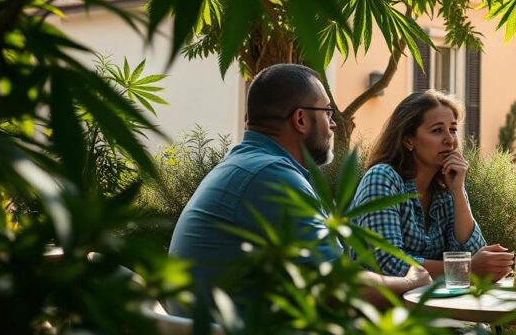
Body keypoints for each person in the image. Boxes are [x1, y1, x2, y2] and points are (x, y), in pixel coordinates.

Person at [168, 63, 430, 313]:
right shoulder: (271, 176)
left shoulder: (248, 165)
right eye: (327, 112)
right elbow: (339, 288)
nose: (334, 124)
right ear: (301, 119)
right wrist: (410, 284)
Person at [351, 90, 514, 282]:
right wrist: (466, 268)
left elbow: (474, 253)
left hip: (432, 303)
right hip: (380, 307)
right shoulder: (383, 178)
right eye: (437, 130)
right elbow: (388, 262)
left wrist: (458, 191)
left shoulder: (446, 186)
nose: (450, 140)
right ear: (408, 140)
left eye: (452, 129)